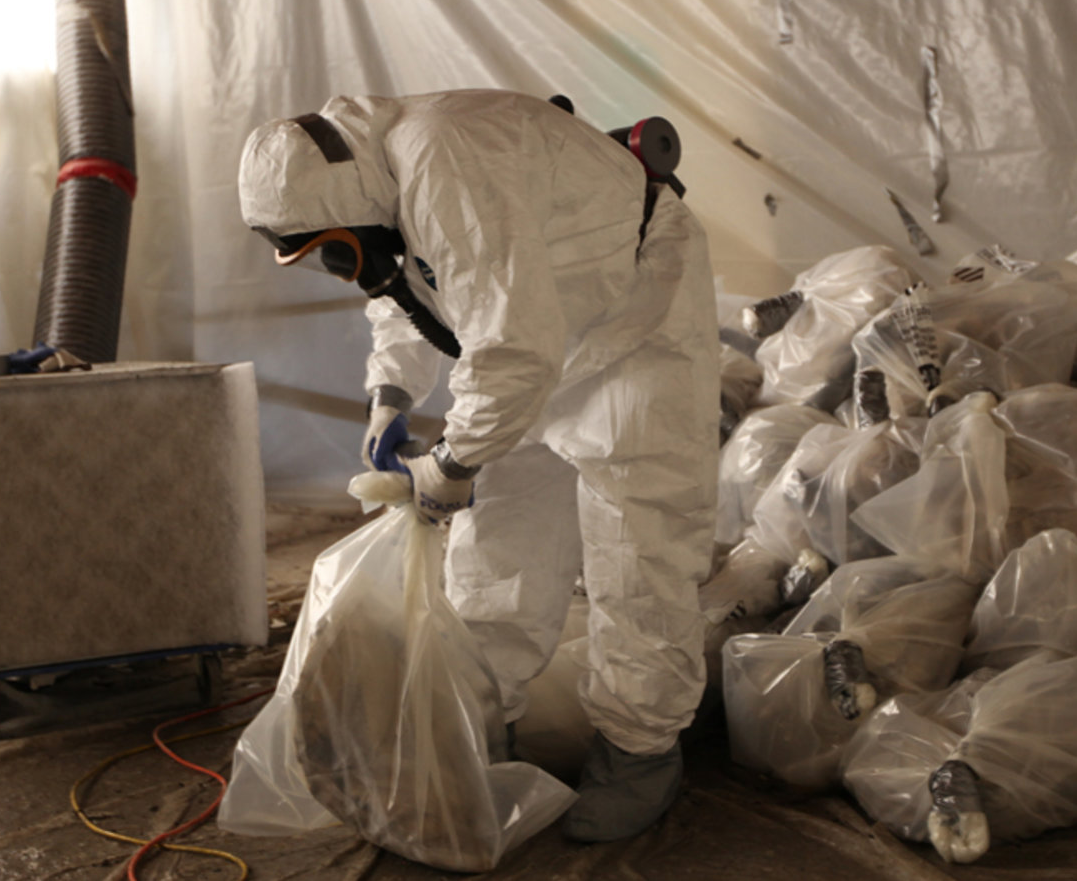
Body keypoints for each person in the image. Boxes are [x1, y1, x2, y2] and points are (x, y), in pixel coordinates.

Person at [238, 89, 720, 841]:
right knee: (501, 538)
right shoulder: (385, 182)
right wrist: (391, 392)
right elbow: (412, 293)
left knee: (638, 545)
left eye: (329, 246)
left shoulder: (443, 157)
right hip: (538, 335)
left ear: (345, 203)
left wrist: (453, 462)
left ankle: (640, 750)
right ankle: (483, 725)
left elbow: (510, 346)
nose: (337, 263)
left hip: (635, 320)